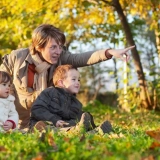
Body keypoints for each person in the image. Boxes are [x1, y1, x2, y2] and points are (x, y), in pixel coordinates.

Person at [0, 24, 135, 130]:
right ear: (39, 46)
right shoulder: (17, 58)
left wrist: (109, 52)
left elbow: (82, 58)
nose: (58, 51)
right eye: (53, 47)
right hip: (16, 120)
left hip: (47, 116)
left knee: (56, 125)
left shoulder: (61, 58)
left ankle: (84, 128)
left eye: (60, 47)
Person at [29, 64, 112, 135]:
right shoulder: (49, 92)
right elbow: (37, 109)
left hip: (64, 126)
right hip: (44, 124)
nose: (78, 82)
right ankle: (77, 131)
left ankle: (94, 130)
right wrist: (54, 119)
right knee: (46, 128)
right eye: (74, 79)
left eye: (78, 79)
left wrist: (86, 120)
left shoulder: (75, 103)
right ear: (61, 82)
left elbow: (75, 119)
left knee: (79, 119)